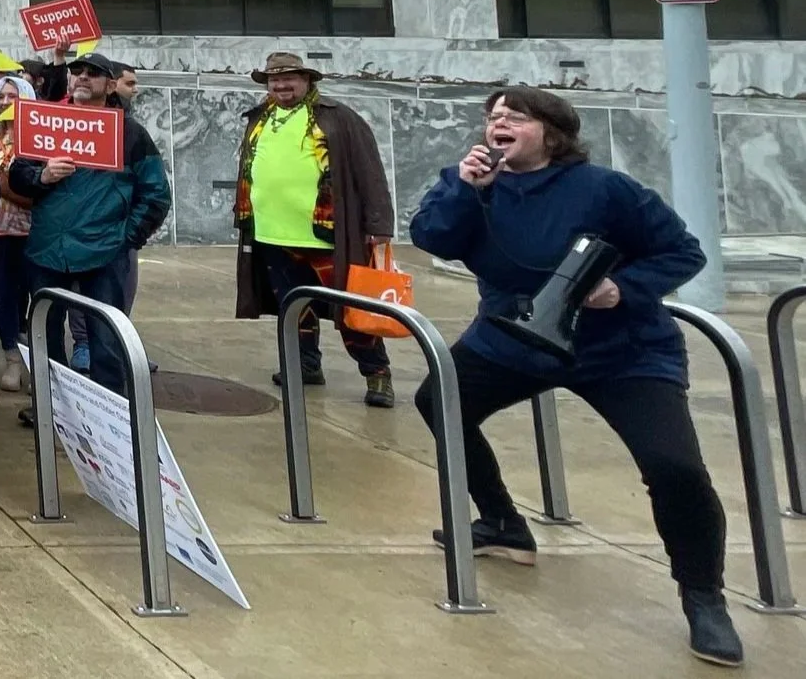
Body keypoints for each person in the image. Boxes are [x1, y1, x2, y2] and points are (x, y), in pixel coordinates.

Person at [408, 86, 740, 667]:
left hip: (623, 352)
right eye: (492, 117)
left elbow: (682, 252)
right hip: (513, 339)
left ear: (552, 133)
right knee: (441, 399)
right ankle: (505, 523)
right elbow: (432, 237)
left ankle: (704, 596)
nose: (498, 123)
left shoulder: (605, 189)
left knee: (675, 467)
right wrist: (465, 188)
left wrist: (623, 289)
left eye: (515, 115)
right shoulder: (470, 183)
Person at [231, 51, 398, 407]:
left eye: (289, 77)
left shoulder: (338, 119)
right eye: (274, 79)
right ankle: (306, 365)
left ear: (307, 80)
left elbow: (370, 171)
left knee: (352, 311)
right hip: (271, 234)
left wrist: (379, 224)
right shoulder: (260, 118)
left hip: (325, 236)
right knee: (293, 308)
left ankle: (377, 373)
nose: (281, 85)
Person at [5, 50, 168, 394]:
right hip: (47, 249)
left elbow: (155, 195)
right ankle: (53, 411)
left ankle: (111, 420)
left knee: (106, 344)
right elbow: (18, 174)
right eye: (76, 70)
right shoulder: (46, 122)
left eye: (92, 73)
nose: (81, 76)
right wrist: (42, 176)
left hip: (104, 254)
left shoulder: (130, 133)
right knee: (45, 339)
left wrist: (126, 238)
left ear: (110, 85)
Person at [0, 76, 37, 392]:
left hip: (36, 229)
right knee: (4, 296)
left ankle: (39, 364)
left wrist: (5, 184)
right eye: (1, 96)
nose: (6, 102)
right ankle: (13, 360)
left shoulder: (39, 137)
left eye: (13, 96)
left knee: (39, 297)